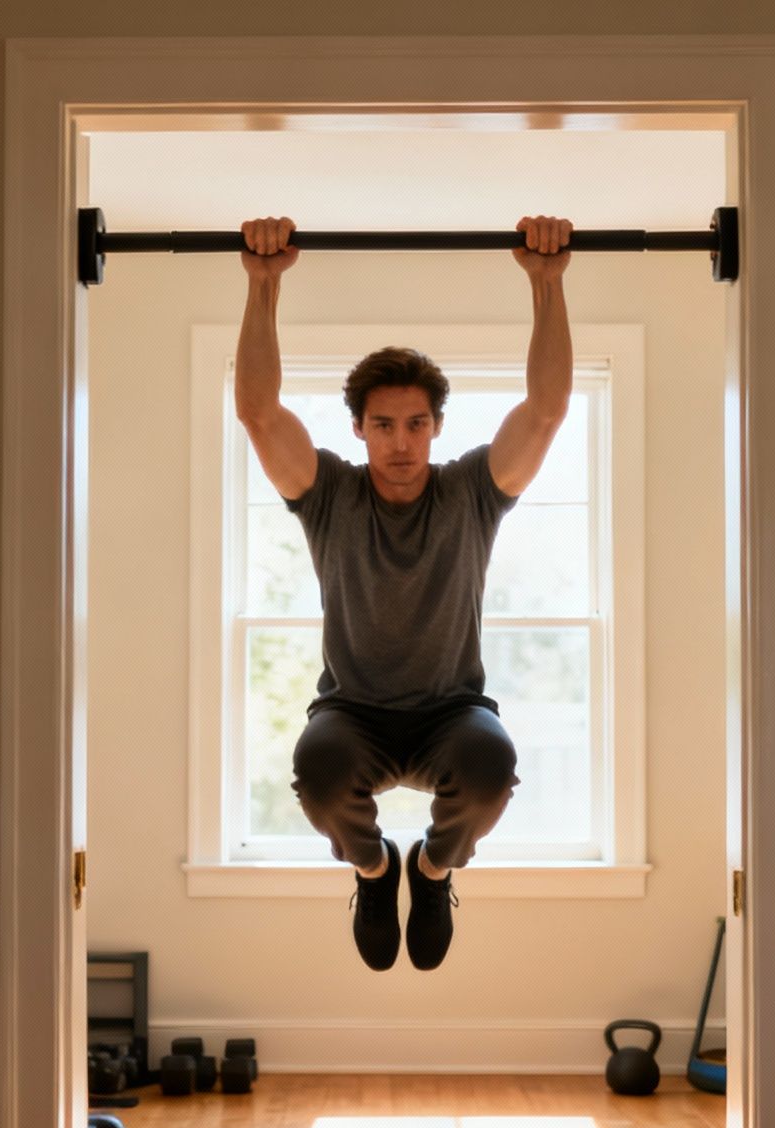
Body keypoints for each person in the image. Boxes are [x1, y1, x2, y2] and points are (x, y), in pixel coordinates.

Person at [234, 213, 574, 972]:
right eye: (383, 425)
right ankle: (375, 870)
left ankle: (430, 870)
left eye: (416, 424)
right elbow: (259, 413)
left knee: (493, 769)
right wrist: (262, 285)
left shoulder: (469, 495)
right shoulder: (330, 497)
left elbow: (546, 412)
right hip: (354, 713)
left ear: (436, 426)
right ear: (357, 429)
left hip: (451, 713)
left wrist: (547, 284)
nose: (400, 443)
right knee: (316, 772)